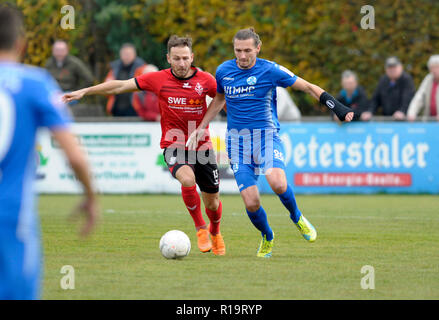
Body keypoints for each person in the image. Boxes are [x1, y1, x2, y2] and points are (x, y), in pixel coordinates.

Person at [187, 28, 354, 258]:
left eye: (247, 50)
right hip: (237, 143)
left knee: (277, 182)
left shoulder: (270, 70)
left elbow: (307, 86)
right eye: (238, 51)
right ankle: (267, 236)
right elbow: (219, 99)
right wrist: (202, 126)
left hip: (266, 136)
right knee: (251, 202)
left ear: (258, 47)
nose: (242, 56)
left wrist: (338, 108)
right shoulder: (224, 71)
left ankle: (296, 216)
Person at [63, 35, 225, 255]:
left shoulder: (205, 80)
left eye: (185, 58)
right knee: (187, 179)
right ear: (168, 58)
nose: (181, 63)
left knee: (213, 203)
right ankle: (200, 228)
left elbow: (221, 97)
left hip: (202, 146)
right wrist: (86, 91)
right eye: (176, 58)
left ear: (192, 57)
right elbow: (119, 86)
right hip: (174, 144)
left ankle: (215, 231)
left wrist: (205, 125)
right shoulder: (158, 79)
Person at [0, 4, 99, 300]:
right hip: (9, 215)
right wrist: (90, 197)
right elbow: (74, 155)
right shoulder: (35, 83)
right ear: (21, 44)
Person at [361, 57, 415, 121]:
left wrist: (402, 111)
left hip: (403, 120)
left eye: (394, 67)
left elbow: (407, 98)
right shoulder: (383, 80)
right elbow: (375, 99)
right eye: (389, 67)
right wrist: (370, 111)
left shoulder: (407, 80)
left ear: (400, 67)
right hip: (387, 120)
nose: (392, 70)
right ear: (386, 69)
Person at [104, 43, 146, 117]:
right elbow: (105, 87)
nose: (127, 56)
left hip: (135, 109)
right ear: (120, 55)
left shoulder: (142, 68)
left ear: (134, 54)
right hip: (116, 109)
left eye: (129, 54)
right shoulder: (114, 68)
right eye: (124, 54)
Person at [407, 55, 439, 121]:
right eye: (432, 67)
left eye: (437, 67)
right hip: (430, 120)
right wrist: (412, 112)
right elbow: (419, 96)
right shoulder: (428, 79)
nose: (434, 70)